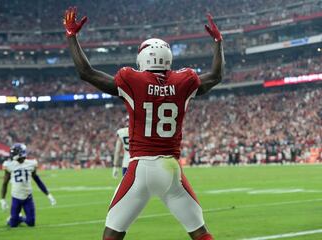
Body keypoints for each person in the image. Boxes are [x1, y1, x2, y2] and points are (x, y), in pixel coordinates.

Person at [64, 6, 224, 240]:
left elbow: (86, 72)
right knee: (201, 233)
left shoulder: (132, 79)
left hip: (141, 167)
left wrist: (72, 37)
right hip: (171, 170)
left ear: (142, 57)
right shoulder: (185, 81)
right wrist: (218, 42)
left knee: (111, 235)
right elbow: (216, 75)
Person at [0, 143, 56, 227]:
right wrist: (2, 199)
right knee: (13, 225)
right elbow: (5, 183)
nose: (12, 154)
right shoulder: (9, 165)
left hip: (28, 197)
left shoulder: (31, 164)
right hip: (15, 197)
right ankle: (15, 218)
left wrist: (48, 194)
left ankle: (19, 218)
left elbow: (37, 180)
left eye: (14, 152)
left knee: (31, 223)